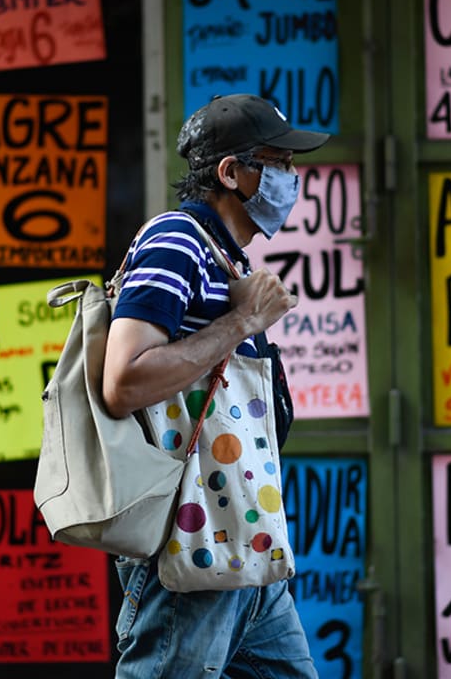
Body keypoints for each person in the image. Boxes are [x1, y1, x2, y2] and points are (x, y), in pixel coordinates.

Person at [101, 94, 329, 678]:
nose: (290, 178)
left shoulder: (226, 259)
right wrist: (242, 323)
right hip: (188, 549)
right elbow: (123, 382)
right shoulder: (176, 240)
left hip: (243, 544)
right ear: (232, 173)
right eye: (276, 163)